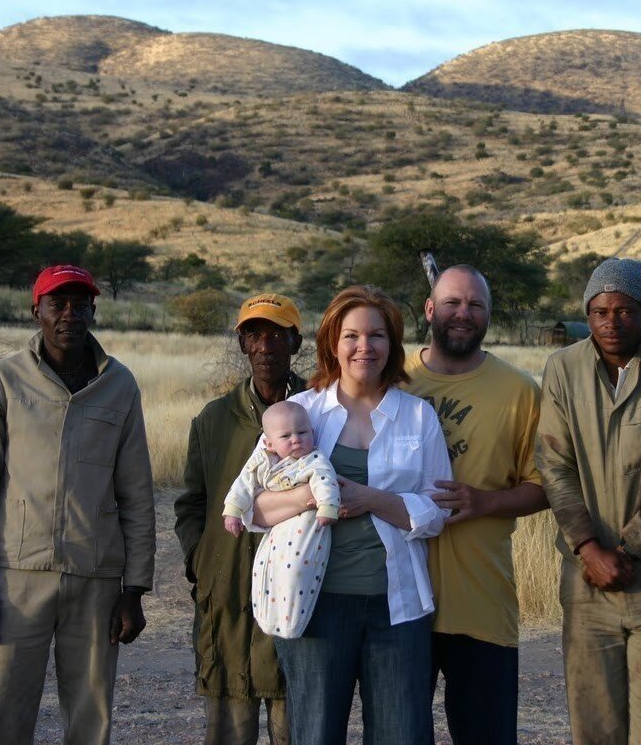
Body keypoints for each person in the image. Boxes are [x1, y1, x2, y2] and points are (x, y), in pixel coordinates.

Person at [0, 263, 156, 745]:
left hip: (96, 578)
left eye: (80, 303)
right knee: (1, 717)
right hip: (18, 575)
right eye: (57, 304)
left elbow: (136, 492)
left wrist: (135, 590)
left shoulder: (119, 384)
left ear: (93, 309)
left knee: (90, 721)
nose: (69, 314)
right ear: (36, 311)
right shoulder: (3, 380)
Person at [245, 284, 451, 745]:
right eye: (352, 335)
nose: (365, 347)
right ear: (332, 344)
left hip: (397, 607)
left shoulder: (419, 417)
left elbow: (438, 513)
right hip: (315, 603)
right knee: (315, 734)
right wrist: (315, 499)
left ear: (392, 345)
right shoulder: (302, 412)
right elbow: (256, 507)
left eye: (377, 335)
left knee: (403, 735)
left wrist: (371, 499)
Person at [536, 257, 641, 745]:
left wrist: (626, 551)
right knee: (594, 725)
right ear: (587, 315)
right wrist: (589, 549)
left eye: (625, 310)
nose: (612, 322)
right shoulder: (562, 369)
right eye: (601, 311)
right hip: (586, 580)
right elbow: (554, 465)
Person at [402, 265, 546, 745]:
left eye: (475, 305)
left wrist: (487, 502)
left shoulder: (519, 391)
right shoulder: (394, 382)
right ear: (429, 310)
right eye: (452, 303)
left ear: (487, 314)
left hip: (483, 605)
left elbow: (546, 485)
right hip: (401, 604)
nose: (463, 314)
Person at [173, 293, 306, 745]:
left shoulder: (320, 415)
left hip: (295, 601)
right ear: (242, 346)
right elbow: (192, 503)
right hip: (225, 599)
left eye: (276, 334)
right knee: (227, 731)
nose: (265, 345)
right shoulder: (213, 421)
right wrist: (200, 562)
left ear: (296, 342)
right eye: (254, 334)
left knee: (296, 729)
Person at [222, 400, 340, 638]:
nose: (296, 439)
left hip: (306, 529)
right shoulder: (263, 460)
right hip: (275, 535)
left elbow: (326, 481)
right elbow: (244, 484)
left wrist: (328, 507)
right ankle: (269, 618)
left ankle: (292, 624)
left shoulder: (313, 459)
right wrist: (232, 511)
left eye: (303, 432)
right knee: (269, 572)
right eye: (286, 435)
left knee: (297, 574)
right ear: (269, 443)